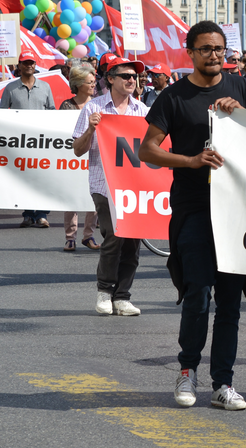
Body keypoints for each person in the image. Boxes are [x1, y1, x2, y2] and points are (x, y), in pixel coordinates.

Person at [139, 21, 246, 412]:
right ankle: (187, 370)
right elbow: (148, 150)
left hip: (237, 210)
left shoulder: (241, 88)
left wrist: (243, 114)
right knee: (197, 292)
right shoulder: (173, 96)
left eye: (219, 49)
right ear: (190, 52)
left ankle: (223, 383)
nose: (214, 55)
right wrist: (191, 161)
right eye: (206, 49)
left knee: (230, 301)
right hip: (194, 206)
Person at [73, 54, 150, 316]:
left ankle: (122, 297)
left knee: (132, 241)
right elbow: (77, 150)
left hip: (135, 186)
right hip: (103, 185)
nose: (132, 80)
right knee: (114, 235)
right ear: (110, 79)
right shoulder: (93, 108)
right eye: (126, 76)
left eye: (134, 76)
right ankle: (105, 291)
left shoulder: (143, 111)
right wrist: (91, 130)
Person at [2, 49, 55, 227]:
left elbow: (52, 112)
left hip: (42, 141)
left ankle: (42, 214)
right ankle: (28, 214)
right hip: (19, 142)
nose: (29, 65)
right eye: (25, 63)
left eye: (31, 62)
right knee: (24, 178)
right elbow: (3, 114)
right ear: (19, 66)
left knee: (42, 177)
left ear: (35, 65)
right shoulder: (10, 88)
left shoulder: (45, 87)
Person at [60, 63, 97, 252]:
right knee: (72, 196)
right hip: (72, 157)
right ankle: (70, 237)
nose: (93, 85)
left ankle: (88, 235)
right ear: (78, 83)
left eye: (94, 81)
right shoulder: (67, 106)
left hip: (94, 157)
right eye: (89, 82)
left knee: (95, 195)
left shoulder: (98, 105)